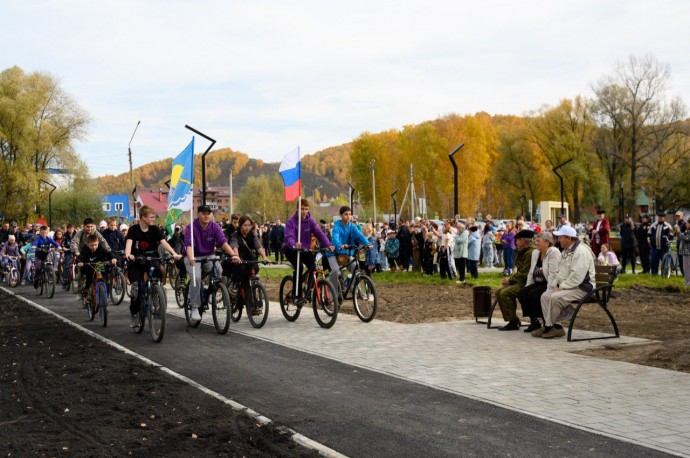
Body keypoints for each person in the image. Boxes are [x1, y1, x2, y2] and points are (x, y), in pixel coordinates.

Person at [535, 226, 596, 339]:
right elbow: (561, 271)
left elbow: (577, 277)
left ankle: (548, 327)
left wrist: (562, 287)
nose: (558, 240)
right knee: (545, 296)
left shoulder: (581, 251)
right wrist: (554, 284)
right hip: (571, 286)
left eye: (561, 237)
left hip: (583, 288)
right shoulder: (566, 251)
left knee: (555, 297)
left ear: (568, 238)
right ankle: (557, 327)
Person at [125, 205, 181, 327]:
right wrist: (128, 254)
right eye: (151, 217)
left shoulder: (155, 229)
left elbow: (163, 242)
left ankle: (157, 294)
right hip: (137, 261)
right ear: (143, 218)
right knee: (136, 288)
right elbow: (129, 243)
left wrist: (174, 253)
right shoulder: (133, 229)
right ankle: (134, 315)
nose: (153, 219)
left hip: (152, 259)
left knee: (158, 274)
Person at [184, 205, 238, 322]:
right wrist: (191, 257)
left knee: (219, 271)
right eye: (203, 213)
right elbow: (188, 245)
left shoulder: (215, 226)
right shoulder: (191, 227)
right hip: (192, 255)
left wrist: (233, 255)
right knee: (196, 277)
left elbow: (223, 242)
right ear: (198, 214)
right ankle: (194, 307)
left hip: (208, 255)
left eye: (208, 213)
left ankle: (209, 291)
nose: (206, 215)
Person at [282, 199, 336, 303]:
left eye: (306, 209)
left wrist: (328, 245)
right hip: (291, 250)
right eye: (302, 209)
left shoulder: (310, 221)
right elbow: (289, 237)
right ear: (297, 209)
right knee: (299, 267)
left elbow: (319, 233)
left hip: (305, 250)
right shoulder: (291, 222)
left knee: (314, 267)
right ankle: (296, 295)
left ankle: (307, 290)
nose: (304, 211)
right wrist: (294, 244)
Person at [518, 231, 560, 333]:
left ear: (547, 242)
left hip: (549, 283)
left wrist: (550, 291)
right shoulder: (535, 253)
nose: (536, 243)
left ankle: (545, 321)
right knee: (522, 293)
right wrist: (528, 286)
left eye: (538, 240)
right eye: (535, 240)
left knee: (534, 295)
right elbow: (531, 272)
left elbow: (553, 274)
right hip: (537, 283)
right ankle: (534, 321)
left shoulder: (554, 252)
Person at [229, 215, 271, 313]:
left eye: (249, 225)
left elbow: (258, 246)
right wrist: (236, 256)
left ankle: (252, 302)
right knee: (241, 271)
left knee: (255, 269)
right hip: (240, 259)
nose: (247, 227)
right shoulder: (235, 235)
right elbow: (234, 246)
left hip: (250, 259)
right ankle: (235, 287)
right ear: (240, 226)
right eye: (245, 225)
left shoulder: (252, 234)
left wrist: (264, 257)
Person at [495, 229, 535, 330]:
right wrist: (510, 279)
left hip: (528, 282)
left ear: (523, 241)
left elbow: (524, 273)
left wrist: (510, 280)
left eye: (517, 240)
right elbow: (520, 272)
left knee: (505, 293)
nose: (515, 242)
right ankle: (513, 319)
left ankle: (513, 322)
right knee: (499, 291)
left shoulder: (530, 252)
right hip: (521, 280)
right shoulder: (523, 251)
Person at [329, 206, 370, 289]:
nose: (348, 216)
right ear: (341, 215)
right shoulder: (337, 227)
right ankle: (332, 293)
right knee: (336, 270)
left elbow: (359, 235)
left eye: (350, 214)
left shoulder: (352, 226)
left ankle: (351, 288)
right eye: (346, 214)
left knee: (355, 269)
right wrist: (340, 245)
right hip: (334, 253)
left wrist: (367, 243)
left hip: (346, 253)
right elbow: (335, 239)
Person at [76, 233, 117, 305]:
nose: (94, 247)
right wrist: (80, 262)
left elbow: (108, 253)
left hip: (99, 265)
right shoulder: (84, 250)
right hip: (88, 266)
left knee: (104, 279)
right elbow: (79, 257)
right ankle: (85, 295)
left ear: (98, 243)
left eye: (95, 245)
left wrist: (113, 258)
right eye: (91, 245)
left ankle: (104, 298)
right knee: (88, 281)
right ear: (87, 244)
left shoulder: (100, 248)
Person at [648, 211, 673, 276]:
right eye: (659, 217)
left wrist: (668, 241)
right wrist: (649, 240)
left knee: (665, 262)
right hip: (655, 247)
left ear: (664, 218)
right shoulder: (653, 225)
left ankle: (665, 274)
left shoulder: (668, 226)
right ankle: (654, 274)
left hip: (664, 248)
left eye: (662, 217)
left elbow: (671, 235)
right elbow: (649, 234)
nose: (660, 218)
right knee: (654, 261)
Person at [674, 211, 686, 276]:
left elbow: (683, 234)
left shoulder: (684, 224)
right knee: (680, 260)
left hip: (683, 245)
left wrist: (678, 231)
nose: (677, 217)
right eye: (676, 216)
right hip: (679, 244)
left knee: (683, 260)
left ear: (682, 216)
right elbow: (675, 234)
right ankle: (683, 273)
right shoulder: (677, 223)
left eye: (678, 216)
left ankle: (684, 273)